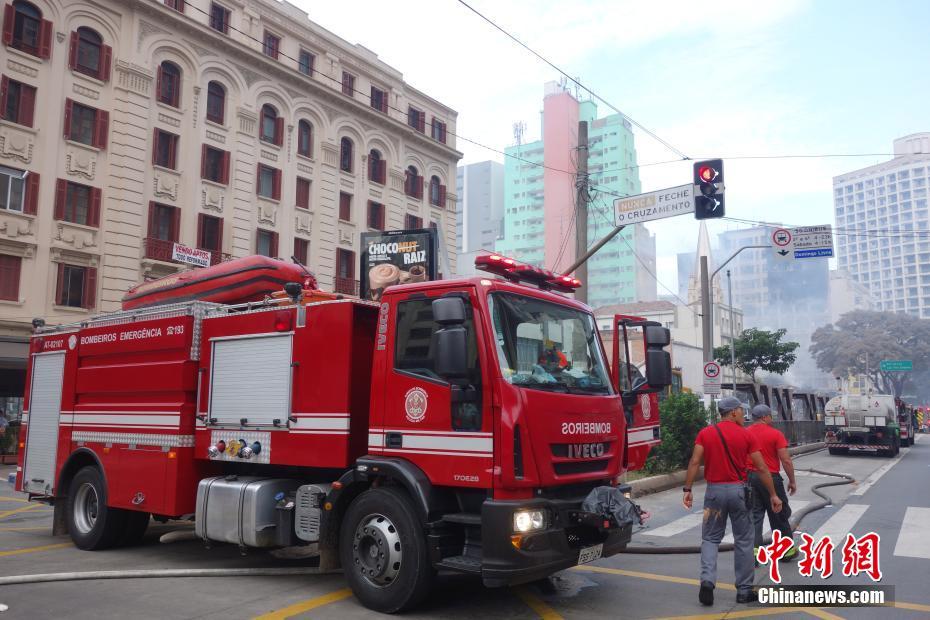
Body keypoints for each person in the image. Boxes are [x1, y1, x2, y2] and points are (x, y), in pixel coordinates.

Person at [683, 396, 783, 606]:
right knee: (744, 540)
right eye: (741, 410)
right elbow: (761, 467)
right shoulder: (746, 435)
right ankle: (744, 591)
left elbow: (694, 461)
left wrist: (688, 489)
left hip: (714, 494)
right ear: (733, 412)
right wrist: (773, 494)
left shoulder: (705, 433)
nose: (743, 414)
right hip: (739, 493)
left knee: (710, 538)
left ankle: (707, 581)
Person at [746, 404, 797, 560]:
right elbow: (786, 460)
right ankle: (786, 551)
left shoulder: (745, 433)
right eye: (770, 416)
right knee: (779, 514)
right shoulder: (775, 434)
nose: (772, 418)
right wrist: (792, 481)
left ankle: (753, 553)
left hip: (750, 478)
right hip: (771, 478)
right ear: (764, 417)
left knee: (755, 516)